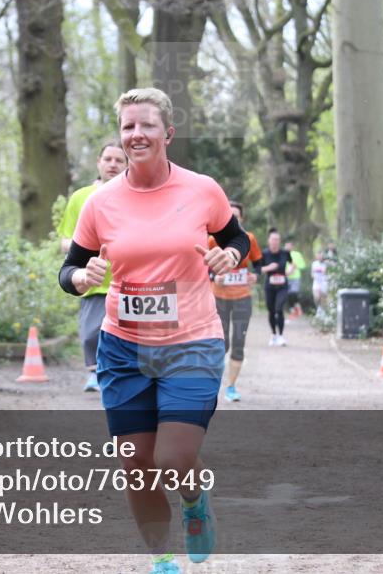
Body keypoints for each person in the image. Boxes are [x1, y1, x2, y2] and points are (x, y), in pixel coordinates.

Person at [58, 88, 248, 574]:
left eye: (145, 125)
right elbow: (70, 269)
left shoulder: (201, 189)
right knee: (136, 466)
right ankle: (162, 558)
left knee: (172, 456)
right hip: (123, 348)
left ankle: (192, 499)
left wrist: (231, 254)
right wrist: (80, 278)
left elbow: (235, 237)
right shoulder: (100, 203)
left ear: (168, 132)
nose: (136, 135)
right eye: (127, 127)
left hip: (192, 344)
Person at [58, 141, 127, 392]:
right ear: (99, 162)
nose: (113, 164)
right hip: (93, 280)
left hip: (128, 280)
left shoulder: (135, 195)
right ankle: (94, 373)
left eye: (119, 160)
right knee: (90, 334)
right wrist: (87, 248)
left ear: (127, 164)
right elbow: (65, 239)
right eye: (108, 159)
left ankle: (115, 374)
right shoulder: (81, 197)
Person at [207, 201, 263, 402]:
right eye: (229, 215)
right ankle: (212, 384)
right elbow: (201, 266)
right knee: (222, 343)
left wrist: (255, 276)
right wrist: (214, 277)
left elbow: (258, 264)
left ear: (242, 219)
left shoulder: (249, 239)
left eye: (236, 216)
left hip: (242, 298)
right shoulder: (212, 240)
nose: (233, 218)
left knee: (239, 342)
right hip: (219, 298)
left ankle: (231, 387)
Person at [261, 229, 294, 346]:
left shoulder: (285, 253)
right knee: (271, 310)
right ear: (269, 241)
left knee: (279, 309)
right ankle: (273, 334)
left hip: (282, 286)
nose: (275, 241)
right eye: (273, 239)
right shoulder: (264, 253)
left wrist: (290, 270)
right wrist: (269, 267)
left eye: (277, 240)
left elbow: (292, 264)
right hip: (269, 286)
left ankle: (281, 336)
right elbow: (259, 269)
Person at [284, 238, 306, 319]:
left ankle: (297, 309)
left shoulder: (297, 254)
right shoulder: (283, 254)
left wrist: (295, 266)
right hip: (286, 277)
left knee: (294, 293)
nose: (287, 247)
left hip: (295, 277)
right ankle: (294, 311)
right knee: (288, 294)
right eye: (286, 245)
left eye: (289, 245)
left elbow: (303, 265)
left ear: (292, 246)